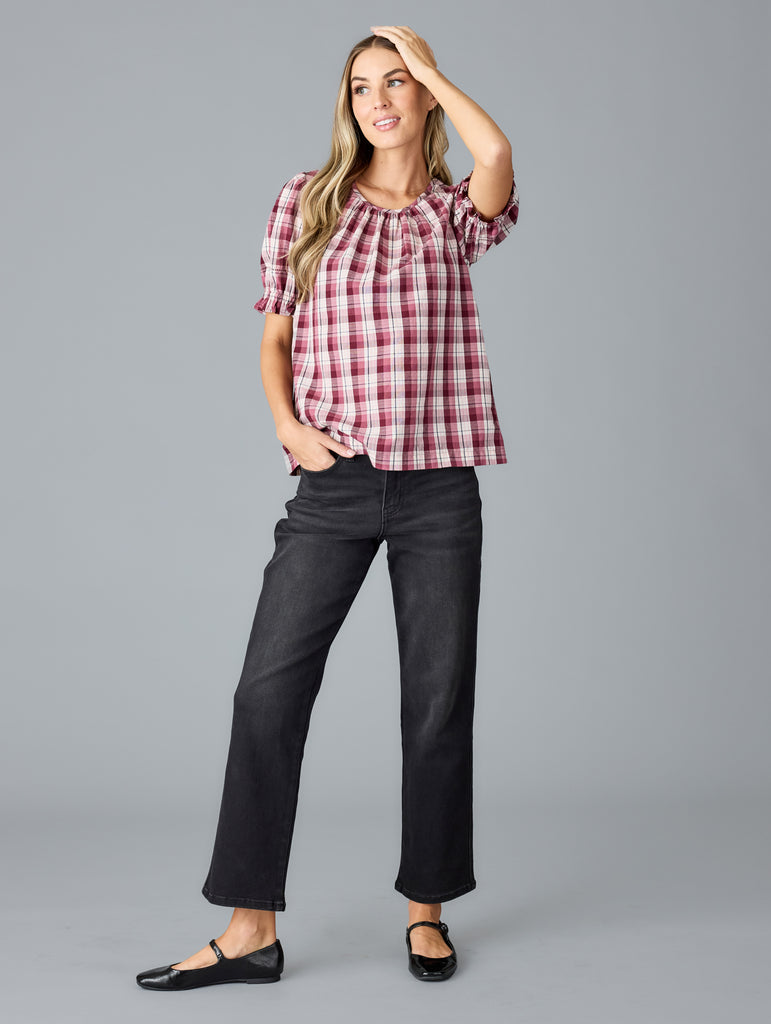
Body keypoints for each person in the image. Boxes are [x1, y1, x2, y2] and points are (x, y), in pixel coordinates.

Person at [136, 24, 519, 990]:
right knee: (267, 691)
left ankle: (427, 913)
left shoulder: (448, 215)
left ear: (425, 95)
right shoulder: (304, 203)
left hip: (438, 487)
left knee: (435, 704)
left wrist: (432, 67)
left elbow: (498, 158)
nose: (379, 100)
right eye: (360, 87)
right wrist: (288, 429)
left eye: (397, 84)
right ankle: (249, 928)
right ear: (343, 103)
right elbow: (274, 341)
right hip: (334, 482)